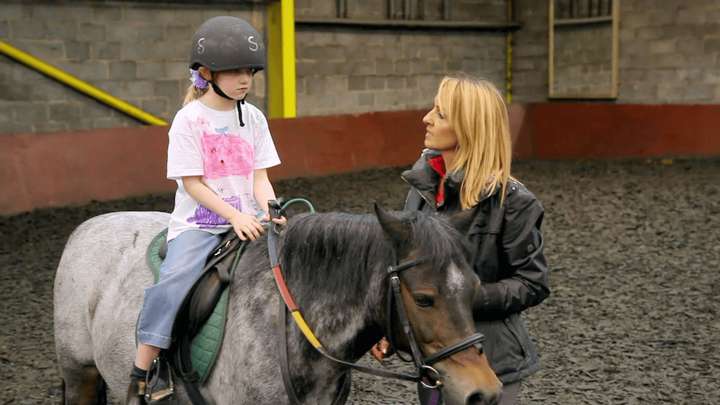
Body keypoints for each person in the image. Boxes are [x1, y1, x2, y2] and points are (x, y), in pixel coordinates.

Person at [127, 16, 284, 404]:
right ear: (206, 73)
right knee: (174, 282)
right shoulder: (189, 120)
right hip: (201, 225)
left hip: (250, 220)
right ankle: (144, 368)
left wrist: (271, 209)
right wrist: (233, 216)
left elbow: (258, 177)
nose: (245, 79)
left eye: (249, 71)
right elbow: (192, 184)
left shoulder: (254, 117)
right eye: (235, 72)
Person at [372, 76, 550, 405]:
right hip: (435, 357)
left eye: (440, 114)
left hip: (490, 361)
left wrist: (459, 296)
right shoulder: (422, 187)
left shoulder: (514, 202)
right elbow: (408, 270)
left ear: (468, 127)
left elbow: (532, 283)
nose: (426, 118)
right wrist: (389, 325)